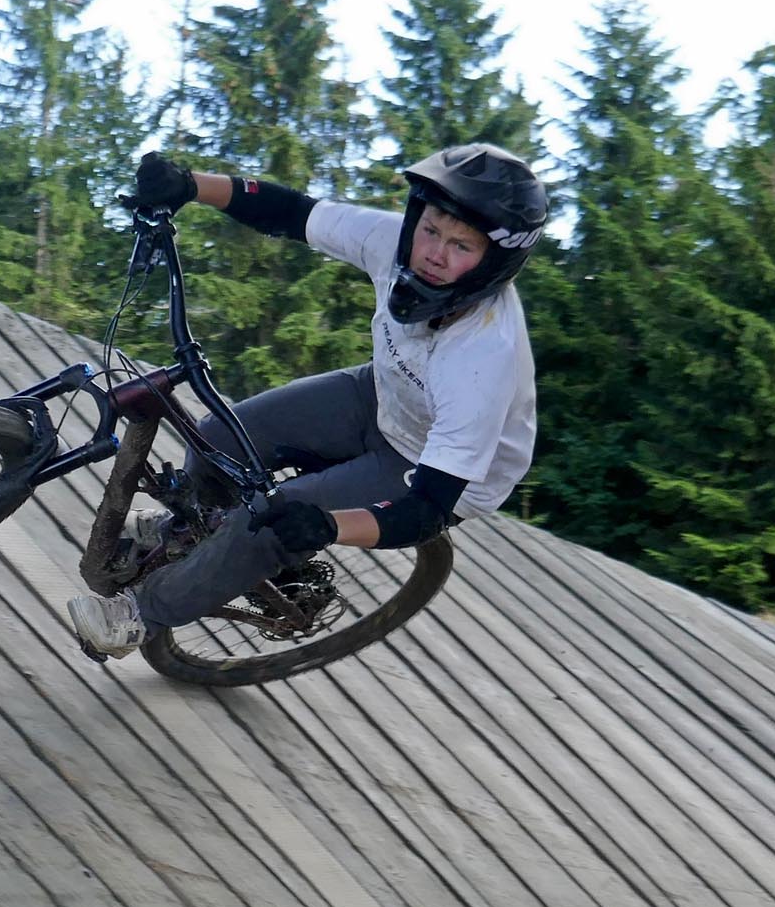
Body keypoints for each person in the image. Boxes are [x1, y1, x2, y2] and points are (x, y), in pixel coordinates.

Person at [67, 143, 548, 658]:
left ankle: (143, 614)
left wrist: (328, 525)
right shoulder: (395, 242)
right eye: (431, 231)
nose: (435, 253)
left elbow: (426, 509)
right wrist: (188, 184)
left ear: (493, 263)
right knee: (219, 438)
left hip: (435, 470)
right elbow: (293, 212)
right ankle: (196, 535)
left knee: (274, 519)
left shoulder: (483, 357)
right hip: (385, 392)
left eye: (462, 247)